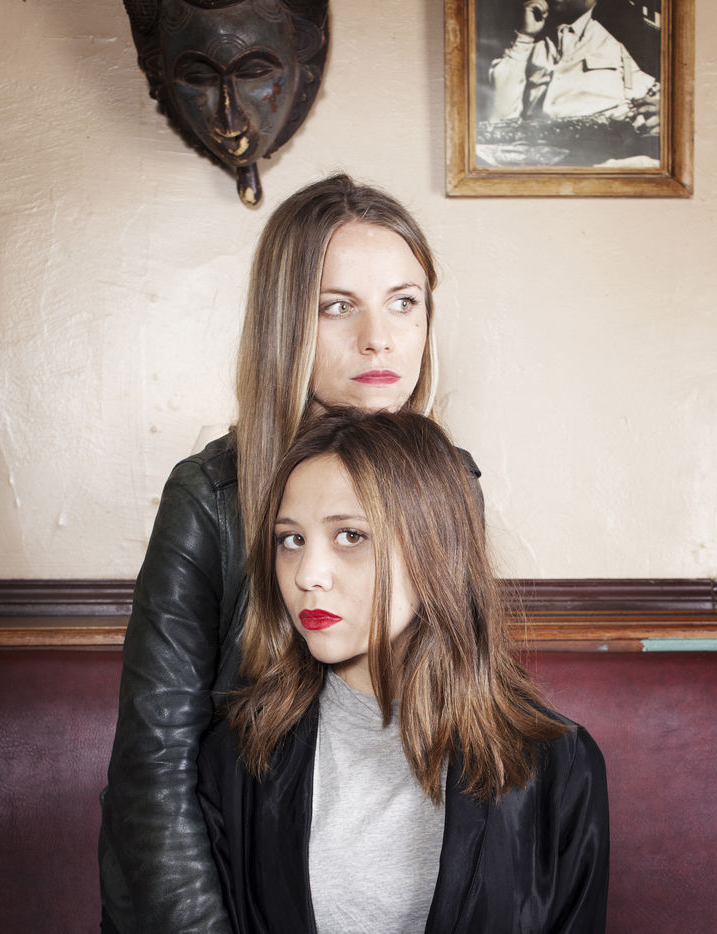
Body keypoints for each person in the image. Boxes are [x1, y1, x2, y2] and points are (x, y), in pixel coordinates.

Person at [98, 174, 483, 933]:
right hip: (235, 896)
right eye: (338, 306)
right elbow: (154, 773)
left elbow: (468, 719)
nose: (379, 337)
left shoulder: (455, 483)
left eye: (404, 302)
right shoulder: (211, 495)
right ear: (287, 322)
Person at [197, 409, 610, 933]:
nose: (307, 576)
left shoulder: (557, 765)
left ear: (432, 550)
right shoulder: (236, 755)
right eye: (291, 540)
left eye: (350, 536)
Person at [489, 0, 659, 133]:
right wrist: (524, 37)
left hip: (604, 156)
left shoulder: (625, 38)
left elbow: (655, 102)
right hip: (536, 155)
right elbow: (499, 119)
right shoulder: (525, 39)